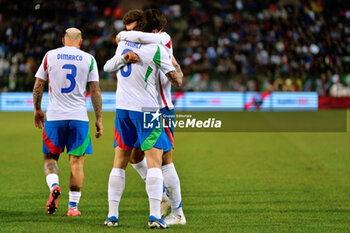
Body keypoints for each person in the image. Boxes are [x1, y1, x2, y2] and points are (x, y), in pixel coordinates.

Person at [103, 9, 183, 229]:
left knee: (157, 161)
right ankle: (157, 211)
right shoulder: (157, 46)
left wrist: (123, 38)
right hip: (149, 107)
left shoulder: (126, 42)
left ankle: (177, 212)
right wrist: (175, 67)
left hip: (134, 108)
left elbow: (110, 61)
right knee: (149, 160)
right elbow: (177, 80)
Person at [33, 27, 103, 217]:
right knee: (77, 163)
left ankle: (54, 185)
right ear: (80, 42)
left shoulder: (50, 55)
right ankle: (73, 208)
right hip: (79, 118)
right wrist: (98, 118)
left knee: (50, 159)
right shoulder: (89, 59)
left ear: (64, 40)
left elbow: (39, 84)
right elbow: (95, 90)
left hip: (55, 117)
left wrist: (37, 109)